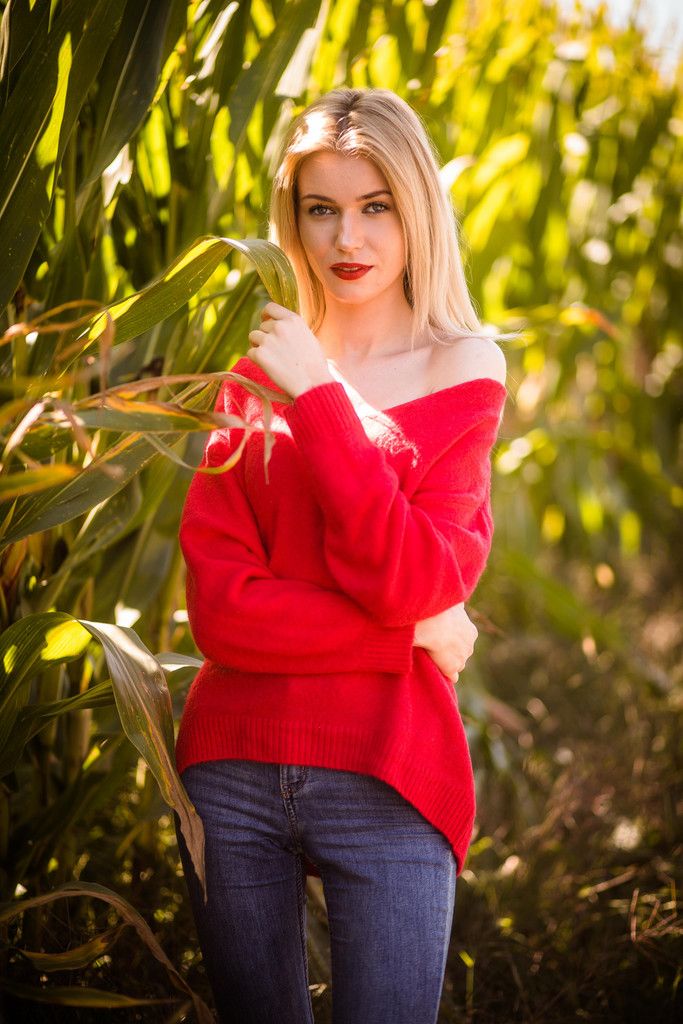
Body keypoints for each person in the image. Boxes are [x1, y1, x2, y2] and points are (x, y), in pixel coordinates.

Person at [174, 87, 507, 1024]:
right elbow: (223, 615)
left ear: (416, 210)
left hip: (388, 771)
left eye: (375, 206)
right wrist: (406, 637)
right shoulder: (250, 382)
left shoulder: (462, 370)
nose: (345, 238)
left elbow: (412, 577)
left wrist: (318, 395)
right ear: (293, 218)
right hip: (230, 770)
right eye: (320, 208)